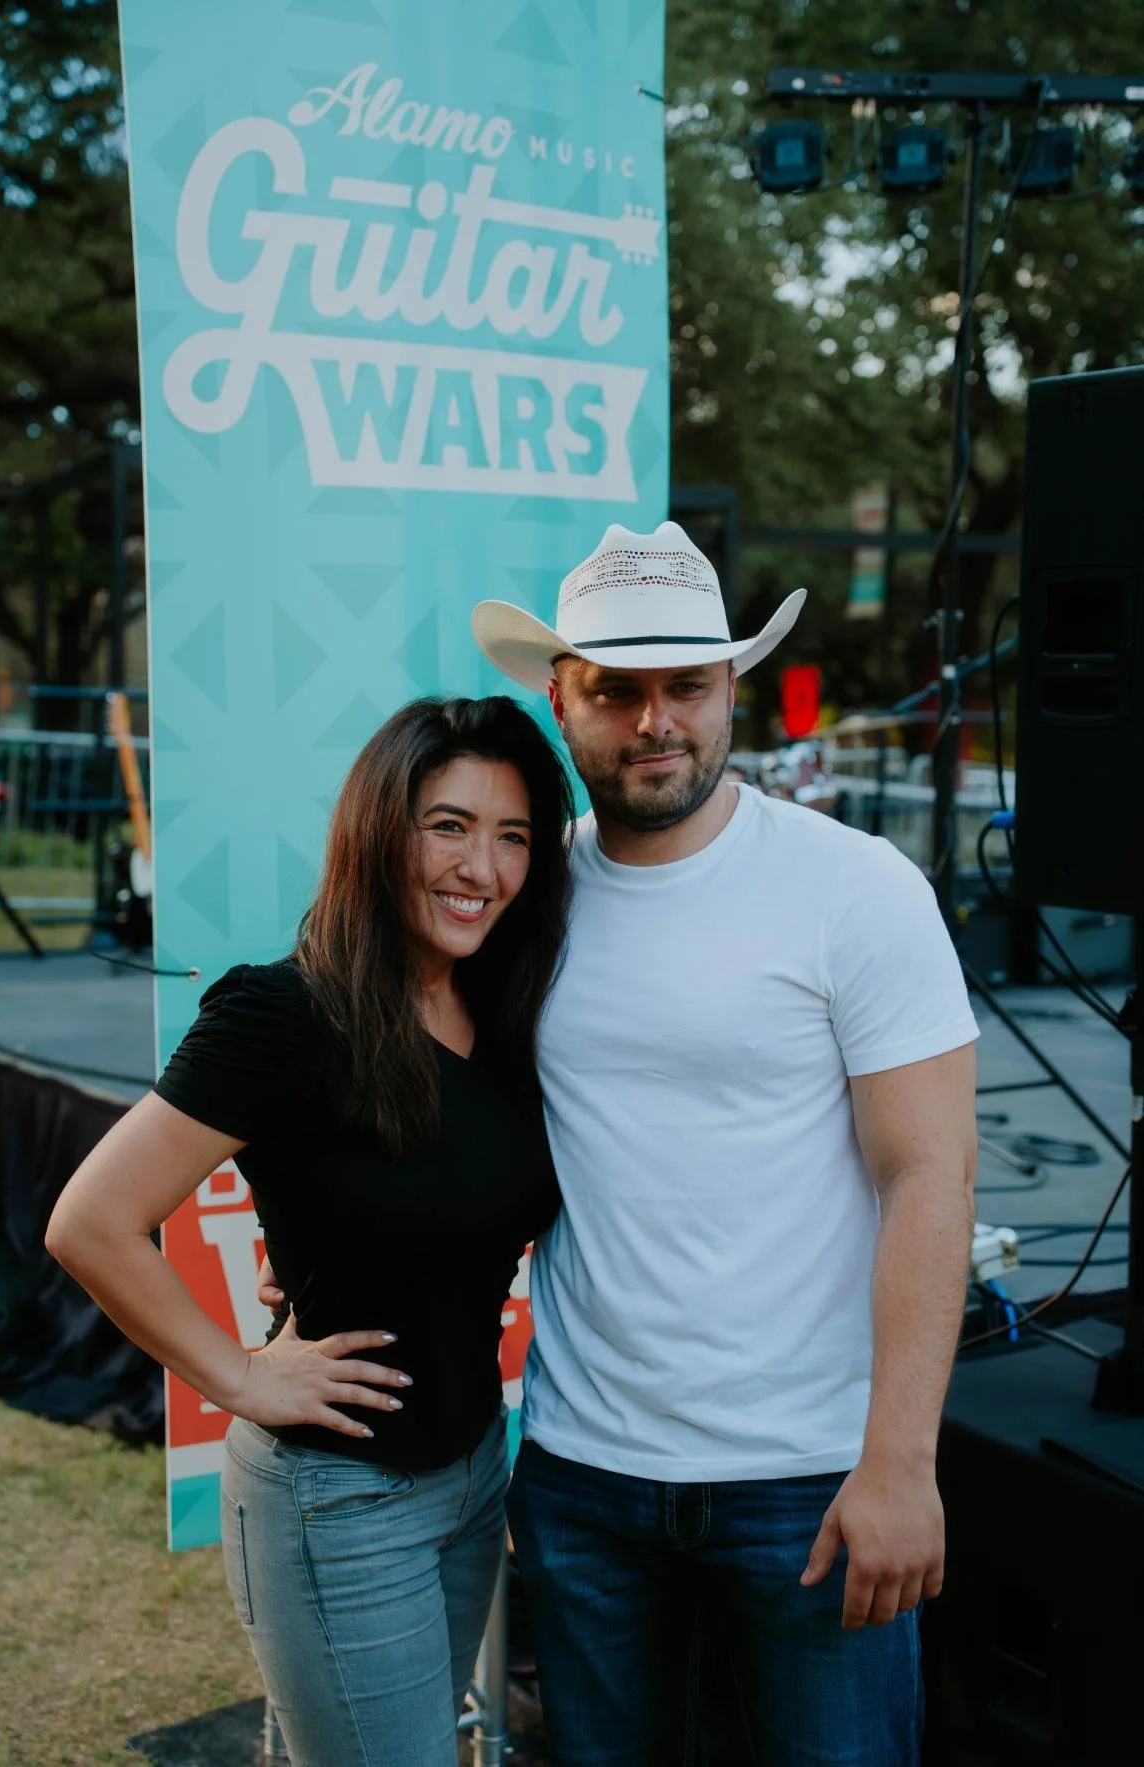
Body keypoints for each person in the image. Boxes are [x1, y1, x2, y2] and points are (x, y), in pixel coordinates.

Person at [469, 522, 980, 1766]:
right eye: (614, 690)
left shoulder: (853, 889)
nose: (655, 722)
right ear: (558, 699)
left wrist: (899, 1464)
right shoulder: (522, 900)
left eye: (684, 685)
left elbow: (929, 1176)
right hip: (583, 1471)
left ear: (728, 689)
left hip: (809, 1479)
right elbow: (467, 1133)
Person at [46, 695, 574, 1767]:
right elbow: (90, 1220)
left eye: (512, 835)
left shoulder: (503, 1010)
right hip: (339, 1503)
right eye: (448, 825)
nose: (482, 866)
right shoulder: (287, 1016)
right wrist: (237, 1378)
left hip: (473, 1473)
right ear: (380, 829)